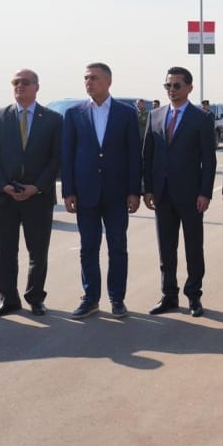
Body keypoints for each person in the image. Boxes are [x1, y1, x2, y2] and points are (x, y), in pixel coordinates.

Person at [61, 62, 142, 319]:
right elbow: (67, 155)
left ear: (108, 81)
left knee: (117, 246)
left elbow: (134, 155)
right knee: (88, 247)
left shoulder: (126, 113)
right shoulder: (74, 113)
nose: (89, 82)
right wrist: (68, 191)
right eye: (86, 78)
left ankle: (117, 299)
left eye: (94, 78)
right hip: (85, 193)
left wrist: (134, 191)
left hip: (117, 193)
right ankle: (90, 298)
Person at [0, 69, 62, 317]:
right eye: (15, 82)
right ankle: (8, 299)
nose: (19, 86)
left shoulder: (53, 119)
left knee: (38, 252)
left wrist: (37, 187)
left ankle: (35, 298)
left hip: (38, 196)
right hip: (5, 196)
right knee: (5, 252)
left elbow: (57, 158)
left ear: (37, 86)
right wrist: (3, 185)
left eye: (25, 82)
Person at [144, 67, 216, 318]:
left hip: (191, 195)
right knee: (166, 249)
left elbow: (209, 160)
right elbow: (148, 156)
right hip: (162, 194)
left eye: (176, 85)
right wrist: (148, 189)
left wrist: (205, 193)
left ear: (189, 88)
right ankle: (169, 295)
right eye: (168, 85)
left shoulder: (201, 118)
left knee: (193, 248)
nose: (171, 90)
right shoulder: (155, 116)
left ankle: (194, 295)